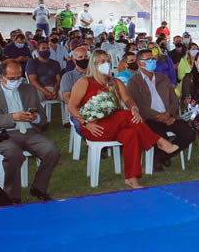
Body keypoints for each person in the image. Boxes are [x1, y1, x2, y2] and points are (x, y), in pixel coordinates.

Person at [68, 49, 179, 189]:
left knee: (131, 134)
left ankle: (132, 179)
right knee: (126, 115)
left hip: (115, 124)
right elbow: (71, 107)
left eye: (108, 61)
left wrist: (134, 108)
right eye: (102, 61)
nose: (106, 64)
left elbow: (127, 99)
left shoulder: (115, 82)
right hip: (94, 127)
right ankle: (159, 141)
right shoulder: (84, 82)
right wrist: (85, 123)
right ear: (94, 64)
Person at [0, 60, 60, 203]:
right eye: (12, 78)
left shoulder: (29, 89)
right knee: (14, 153)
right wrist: (12, 117)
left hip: (29, 132)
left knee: (52, 150)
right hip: (3, 134)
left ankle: (39, 187)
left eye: (19, 77)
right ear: (1, 77)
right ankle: (13, 195)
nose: (16, 81)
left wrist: (35, 118)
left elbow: (43, 118)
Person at [128, 50, 194, 171]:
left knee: (189, 133)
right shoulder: (134, 82)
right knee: (160, 135)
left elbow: (174, 99)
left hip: (169, 116)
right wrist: (158, 116)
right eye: (149, 59)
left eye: (153, 59)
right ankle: (161, 156)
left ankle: (161, 156)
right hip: (150, 119)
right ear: (140, 63)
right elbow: (139, 105)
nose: (153, 61)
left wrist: (169, 114)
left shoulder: (163, 78)